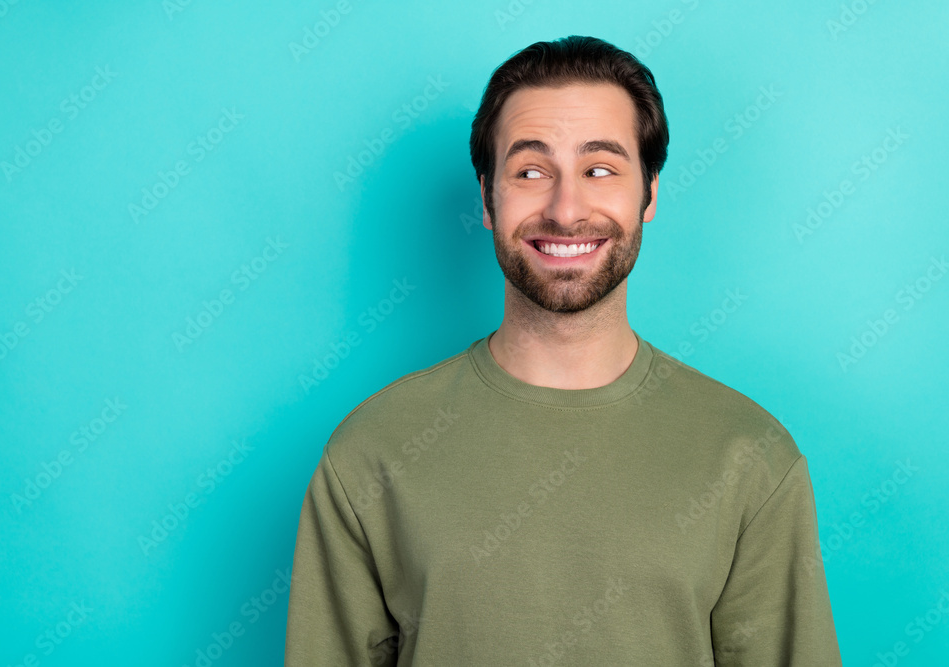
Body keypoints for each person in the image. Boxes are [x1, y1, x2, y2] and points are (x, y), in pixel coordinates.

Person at [285, 35, 842, 665]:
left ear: (649, 194)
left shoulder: (752, 458)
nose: (565, 208)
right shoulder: (369, 453)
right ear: (488, 199)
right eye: (530, 172)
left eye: (600, 169)